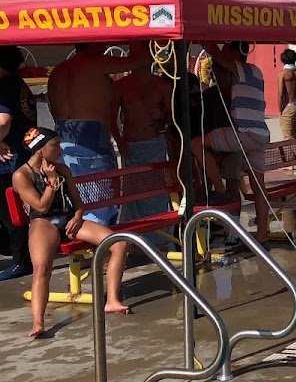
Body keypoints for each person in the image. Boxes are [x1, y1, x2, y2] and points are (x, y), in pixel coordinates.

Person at [15, 127, 130, 337]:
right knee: (41, 268)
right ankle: (38, 322)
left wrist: (77, 218)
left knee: (119, 243)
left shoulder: (62, 168)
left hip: (69, 219)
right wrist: (51, 183)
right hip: (43, 222)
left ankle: (112, 299)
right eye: (54, 145)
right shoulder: (21, 175)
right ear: (40, 150)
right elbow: (41, 207)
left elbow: (78, 203)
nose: (59, 149)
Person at [47, 42, 148, 226]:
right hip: (90, 135)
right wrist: (141, 39)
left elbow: (52, 107)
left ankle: (83, 234)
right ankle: (101, 240)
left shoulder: (58, 70)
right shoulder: (95, 61)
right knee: (101, 194)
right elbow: (138, 61)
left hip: (62, 134)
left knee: (73, 190)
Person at [197, 42, 271, 242]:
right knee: (259, 188)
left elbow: (215, 53)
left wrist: (204, 39)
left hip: (245, 133)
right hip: (261, 134)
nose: (222, 53)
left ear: (235, 53)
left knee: (195, 143)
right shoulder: (256, 72)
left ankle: (219, 191)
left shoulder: (240, 69)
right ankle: (262, 237)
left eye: (226, 50)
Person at [113, 56, 174, 220]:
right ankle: (135, 238)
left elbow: (172, 119)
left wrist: (161, 118)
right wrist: (119, 142)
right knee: (133, 196)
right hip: (131, 145)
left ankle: (157, 236)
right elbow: (111, 118)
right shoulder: (121, 86)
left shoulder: (162, 86)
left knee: (155, 194)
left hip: (154, 143)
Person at [0, 46, 36, 281]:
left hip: (8, 157)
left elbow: (3, 120)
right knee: (19, 207)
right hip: (24, 152)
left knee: (9, 209)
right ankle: (19, 253)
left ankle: (21, 260)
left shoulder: (2, 86)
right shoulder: (19, 83)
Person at [277, 50, 296, 141]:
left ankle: (295, 154)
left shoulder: (283, 74)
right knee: (293, 135)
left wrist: (279, 111)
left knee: (288, 139)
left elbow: (280, 94)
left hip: (288, 107)